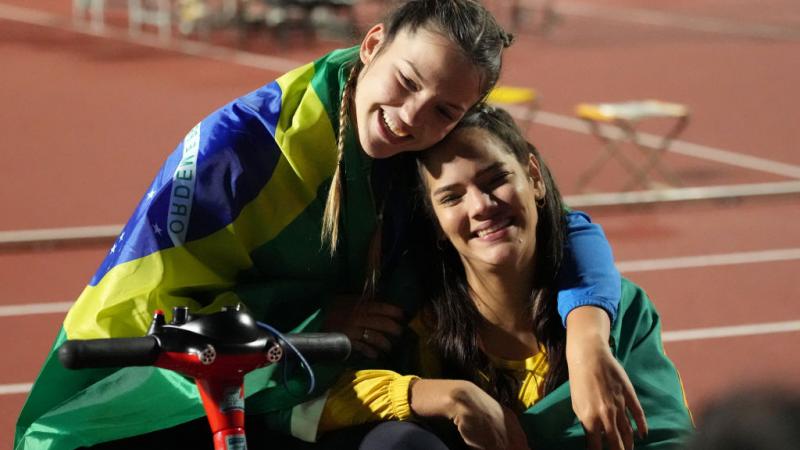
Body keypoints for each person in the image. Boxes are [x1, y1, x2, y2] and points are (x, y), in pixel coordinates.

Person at [16, 2, 629, 449]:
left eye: (445, 109)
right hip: (169, 395)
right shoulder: (241, 150)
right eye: (405, 81)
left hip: (334, 385)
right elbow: (151, 312)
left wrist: (587, 335)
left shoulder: (429, 141)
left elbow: (559, 225)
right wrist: (307, 325)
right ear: (371, 45)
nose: (410, 117)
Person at [310, 106, 693, 450]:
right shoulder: (417, 323)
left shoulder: (617, 313)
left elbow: (670, 439)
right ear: (437, 224)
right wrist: (438, 395)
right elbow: (313, 402)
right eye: (451, 197)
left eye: (495, 180)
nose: (481, 206)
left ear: (534, 177)